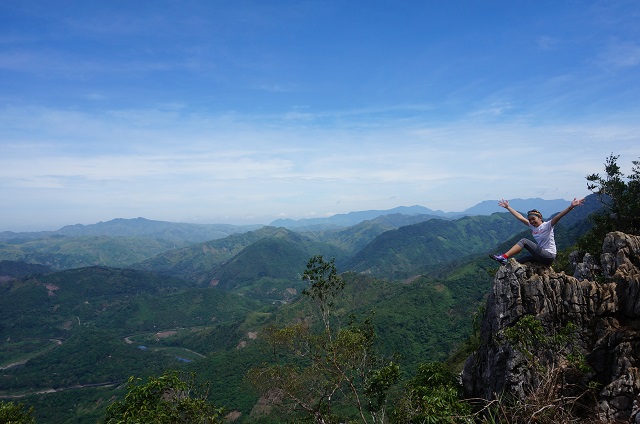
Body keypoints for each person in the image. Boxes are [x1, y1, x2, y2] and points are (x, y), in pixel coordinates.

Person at [490, 198, 585, 265]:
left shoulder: (547, 225)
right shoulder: (533, 227)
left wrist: (571, 206)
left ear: (540, 218)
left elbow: (558, 216)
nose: (531, 221)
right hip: (541, 255)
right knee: (516, 262)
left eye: (533, 219)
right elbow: (520, 217)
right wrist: (508, 207)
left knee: (524, 241)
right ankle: (505, 262)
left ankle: (504, 256)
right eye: (530, 219)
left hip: (549, 256)